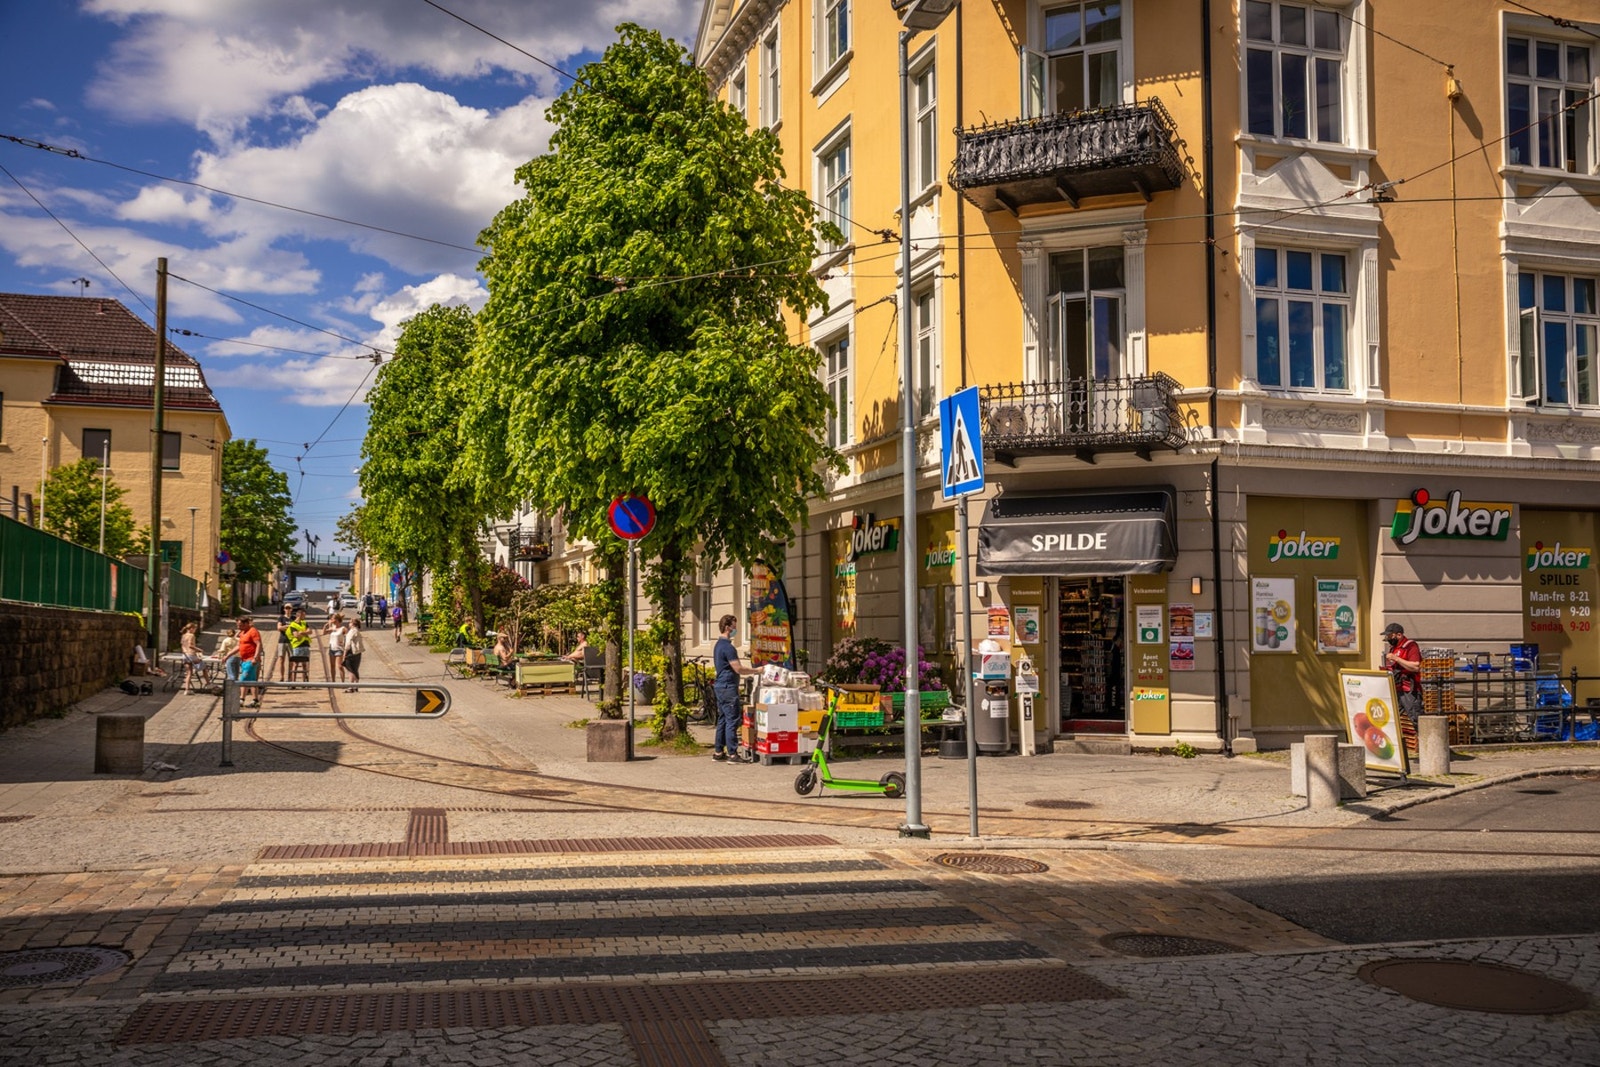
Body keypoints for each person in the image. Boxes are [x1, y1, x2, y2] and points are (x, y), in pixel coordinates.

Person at [711, 615, 755, 762]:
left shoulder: (718, 645)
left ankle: (718, 751)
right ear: (728, 627)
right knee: (732, 719)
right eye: (734, 626)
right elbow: (738, 669)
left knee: (723, 718)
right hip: (728, 686)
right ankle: (732, 754)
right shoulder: (728, 648)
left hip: (720, 686)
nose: (736, 629)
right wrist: (757, 671)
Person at [1382, 622, 1423, 723]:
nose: (1388, 639)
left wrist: (1396, 658)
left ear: (1399, 635)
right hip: (1396, 688)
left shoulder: (1410, 646)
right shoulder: (1394, 648)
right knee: (1394, 718)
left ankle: (1422, 737)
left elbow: (1415, 666)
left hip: (1409, 690)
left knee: (1414, 717)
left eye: (1390, 636)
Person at [236, 615, 262, 707]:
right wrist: (228, 655)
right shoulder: (242, 632)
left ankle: (241, 699)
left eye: (240, 625)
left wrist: (255, 657)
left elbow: (258, 644)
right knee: (252, 680)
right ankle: (255, 700)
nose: (238, 627)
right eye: (237, 625)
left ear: (246, 623)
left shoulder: (253, 631)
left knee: (243, 679)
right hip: (244, 660)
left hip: (251, 660)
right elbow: (239, 646)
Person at [179, 622, 204, 694]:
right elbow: (190, 645)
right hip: (191, 655)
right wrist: (199, 650)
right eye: (195, 629)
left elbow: (182, 646)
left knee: (189, 673)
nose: (195, 631)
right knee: (204, 666)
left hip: (185, 655)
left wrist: (184, 652)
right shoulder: (192, 635)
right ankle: (208, 683)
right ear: (191, 629)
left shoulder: (183, 635)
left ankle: (187, 689)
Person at [343, 619, 364, 691]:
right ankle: (356, 686)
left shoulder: (352, 631)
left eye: (350, 622)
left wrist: (344, 654)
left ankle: (350, 686)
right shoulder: (357, 631)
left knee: (350, 669)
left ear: (353, 624)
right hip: (358, 652)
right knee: (355, 669)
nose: (348, 624)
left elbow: (348, 644)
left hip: (351, 652)